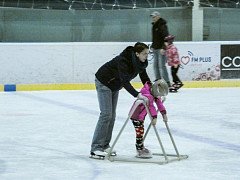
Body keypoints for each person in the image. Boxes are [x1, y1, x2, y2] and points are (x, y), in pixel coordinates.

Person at [90, 42, 151, 159]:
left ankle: (105, 145)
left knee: (112, 116)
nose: (146, 57)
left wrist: (152, 89)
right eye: (144, 54)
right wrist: (137, 94)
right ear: (137, 53)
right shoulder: (123, 60)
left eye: (147, 54)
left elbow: (144, 77)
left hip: (114, 85)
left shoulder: (141, 63)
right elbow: (125, 81)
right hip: (104, 82)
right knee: (106, 114)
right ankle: (96, 148)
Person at [129, 79, 168, 158]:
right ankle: (139, 149)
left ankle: (141, 147)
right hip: (136, 116)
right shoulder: (147, 95)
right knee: (140, 132)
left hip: (141, 116)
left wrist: (164, 113)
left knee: (141, 132)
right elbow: (151, 107)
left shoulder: (153, 93)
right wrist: (154, 117)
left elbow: (159, 103)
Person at [150, 11, 171, 87]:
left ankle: (167, 82)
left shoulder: (162, 25)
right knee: (155, 65)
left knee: (162, 66)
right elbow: (155, 38)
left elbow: (166, 37)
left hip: (161, 49)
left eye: (154, 17)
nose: (153, 18)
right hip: (155, 48)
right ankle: (158, 80)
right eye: (152, 17)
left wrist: (164, 48)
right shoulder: (154, 25)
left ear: (158, 16)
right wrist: (152, 45)